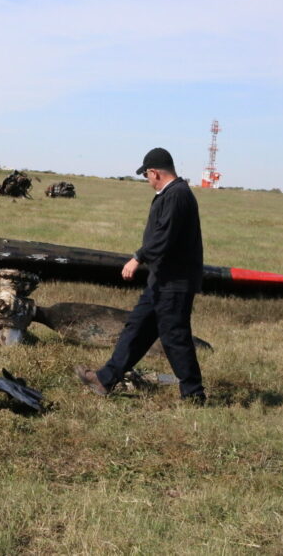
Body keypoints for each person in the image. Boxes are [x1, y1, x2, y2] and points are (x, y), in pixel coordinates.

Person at [75, 147, 206, 402]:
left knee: (175, 337)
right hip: (161, 280)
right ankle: (104, 379)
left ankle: (193, 394)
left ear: (154, 172)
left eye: (146, 175)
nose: (147, 180)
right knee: (137, 329)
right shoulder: (170, 194)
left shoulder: (177, 195)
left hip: (175, 282)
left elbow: (164, 238)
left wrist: (137, 257)